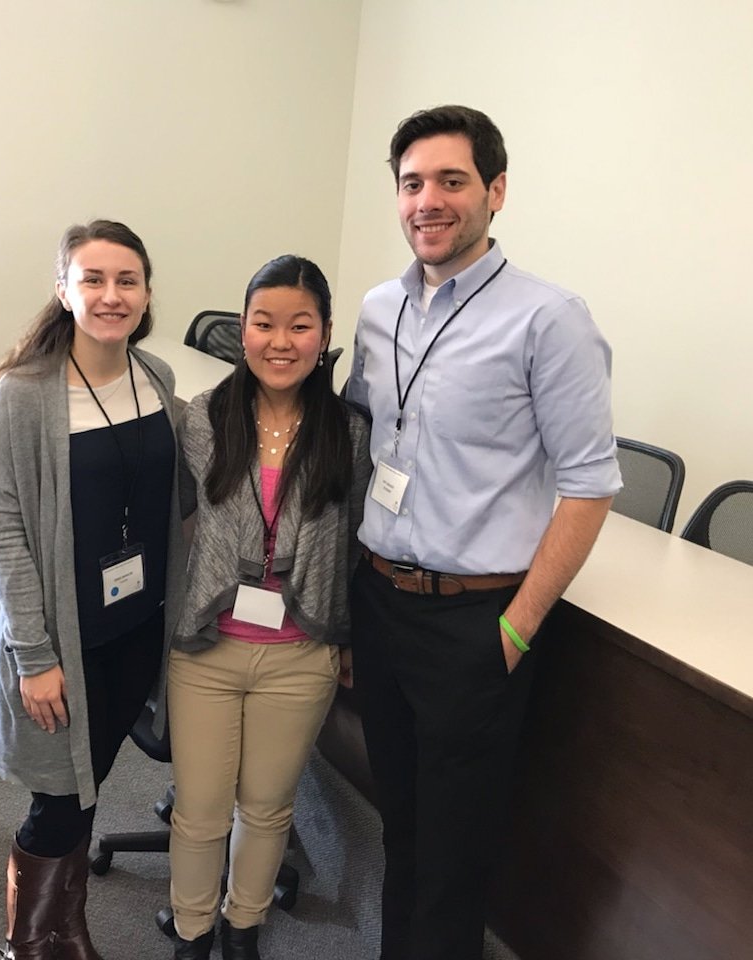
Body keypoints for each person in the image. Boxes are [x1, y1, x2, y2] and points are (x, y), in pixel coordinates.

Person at [345, 105, 622, 960]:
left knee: (457, 851)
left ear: (495, 192)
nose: (429, 200)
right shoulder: (377, 307)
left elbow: (589, 485)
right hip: (380, 601)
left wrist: (515, 627)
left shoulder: (550, 318)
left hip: (476, 621)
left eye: (452, 181)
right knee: (401, 826)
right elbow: (366, 440)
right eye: (412, 183)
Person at [0, 220, 184, 960]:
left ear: (147, 293)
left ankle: (68, 926)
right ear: (63, 290)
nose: (110, 294)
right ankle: (27, 944)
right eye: (92, 279)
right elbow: (3, 533)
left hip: (136, 627)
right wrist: (32, 654)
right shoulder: (24, 396)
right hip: (65, 638)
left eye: (126, 279)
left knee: (88, 783)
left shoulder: (154, 377)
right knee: (59, 798)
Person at [167, 256, 372, 960]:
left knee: (267, 808)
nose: (280, 341)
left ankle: (243, 927)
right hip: (206, 651)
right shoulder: (202, 420)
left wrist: (342, 637)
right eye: (263, 323)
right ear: (242, 331)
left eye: (299, 325)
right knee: (198, 813)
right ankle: (193, 933)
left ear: (325, 336)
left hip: (300, 653)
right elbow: (171, 529)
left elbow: (348, 547)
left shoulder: (347, 433)